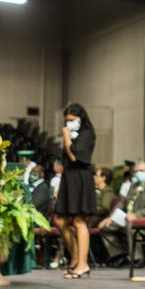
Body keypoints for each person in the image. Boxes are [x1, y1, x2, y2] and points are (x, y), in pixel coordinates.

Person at [52, 103, 96, 279]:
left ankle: (83, 264)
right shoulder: (72, 134)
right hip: (69, 179)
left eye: (72, 120)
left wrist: (66, 137)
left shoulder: (87, 134)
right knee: (59, 219)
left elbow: (74, 156)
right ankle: (76, 257)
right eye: (66, 120)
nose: (68, 123)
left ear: (81, 119)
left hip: (81, 179)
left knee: (79, 220)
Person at [99, 160, 145, 267]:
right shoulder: (134, 185)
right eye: (136, 171)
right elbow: (123, 202)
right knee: (105, 227)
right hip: (127, 217)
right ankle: (119, 255)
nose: (138, 173)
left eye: (141, 171)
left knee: (131, 223)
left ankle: (138, 258)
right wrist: (111, 217)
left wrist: (137, 215)